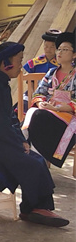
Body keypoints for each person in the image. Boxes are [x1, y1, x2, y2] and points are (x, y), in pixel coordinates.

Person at [0, 41, 69, 227]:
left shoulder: (0, 83)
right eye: (19, 61)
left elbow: (10, 120)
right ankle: (35, 208)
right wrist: (16, 144)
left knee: (35, 158)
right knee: (31, 162)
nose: (21, 65)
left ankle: (34, 207)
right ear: (6, 64)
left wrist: (21, 140)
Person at [25, 31, 76, 169]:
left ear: (74, 55)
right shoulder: (51, 73)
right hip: (47, 111)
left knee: (38, 117)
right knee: (35, 115)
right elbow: (39, 92)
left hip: (68, 116)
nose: (59, 52)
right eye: (59, 49)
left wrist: (56, 108)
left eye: (65, 50)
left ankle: (37, 160)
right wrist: (41, 102)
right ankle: (36, 161)